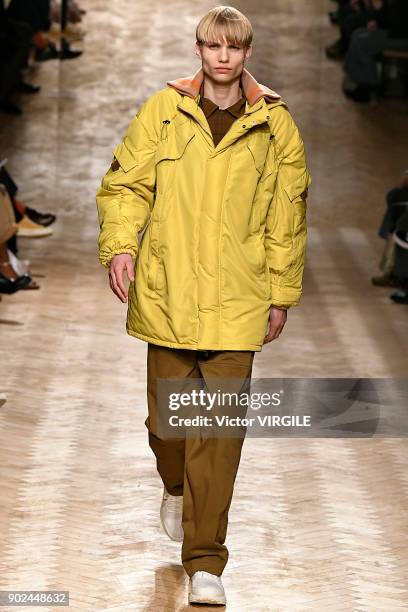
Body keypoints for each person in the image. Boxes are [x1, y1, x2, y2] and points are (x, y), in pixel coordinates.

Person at [96, 5, 311, 606]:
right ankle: (174, 484)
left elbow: (286, 218)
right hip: (169, 291)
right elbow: (125, 185)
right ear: (198, 49)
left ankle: (205, 560)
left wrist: (281, 294)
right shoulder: (163, 111)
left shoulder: (276, 126)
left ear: (247, 53)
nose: (222, 56)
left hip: (239, 299)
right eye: (212, 45)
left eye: (233, 47)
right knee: (169, 426)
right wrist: (119, 247)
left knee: (217, 433)